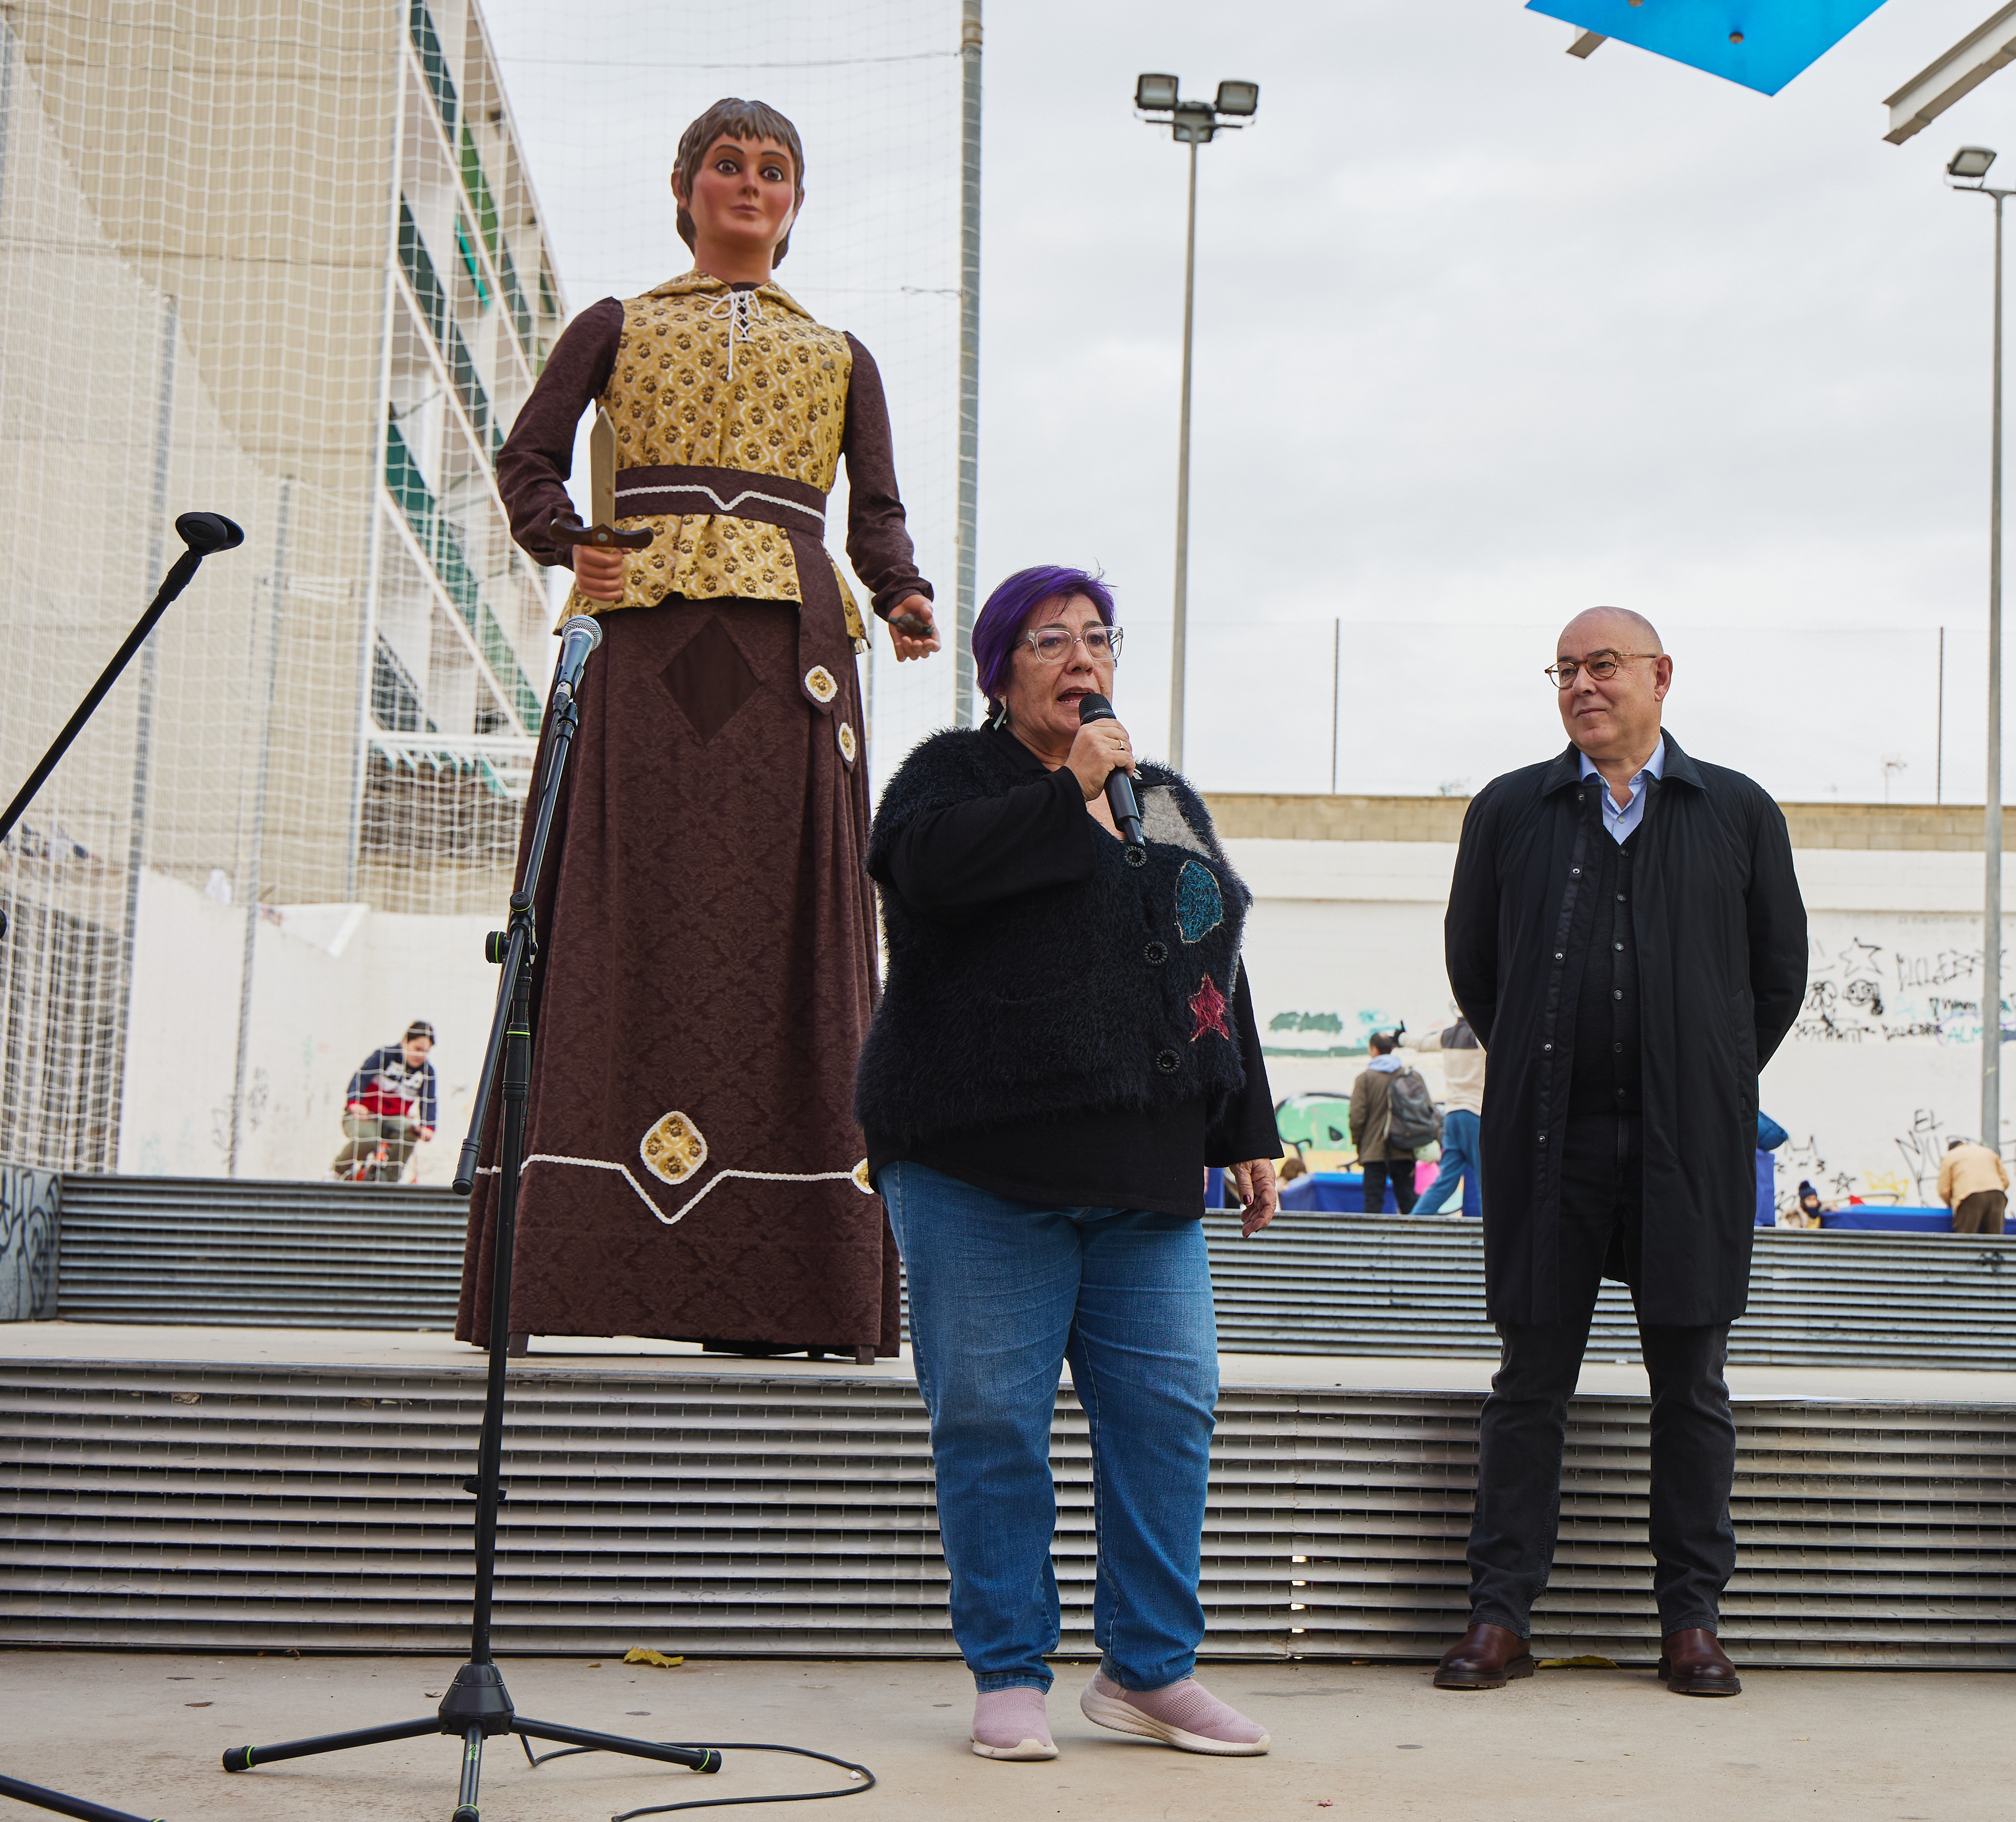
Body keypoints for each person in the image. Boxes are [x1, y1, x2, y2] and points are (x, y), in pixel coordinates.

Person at [458, 99, 937, 1360]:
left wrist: (901, 595)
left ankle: (785, 1277)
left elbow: (877, 509)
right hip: (644, 640)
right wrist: (573, 545)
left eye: (774, 169)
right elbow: (527, 461)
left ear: (795, 199)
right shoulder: (617, 323)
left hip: (795, 654)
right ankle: (579, 1258)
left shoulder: (840, 352)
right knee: (625, 897)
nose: (750, 183)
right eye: (727, 164)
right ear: (684, 187)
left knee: (784, 918)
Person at [854, 564, 1285, 1761]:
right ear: (1001, 669)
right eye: (1051, 639)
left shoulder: (1160, 794)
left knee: (1167, 1411)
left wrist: (1244, 1121)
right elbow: (923, 872)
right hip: (979, 1163)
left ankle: (1148, 1668)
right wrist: (1069, 793)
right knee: (991, 1418)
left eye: (1098, 636)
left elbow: (1213, 952)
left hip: (1143, 1170)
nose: (1082, 657)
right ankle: (1008, 1668)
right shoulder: (952, 775)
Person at [1438, 606, 1807, 1698]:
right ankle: (1500, 1615)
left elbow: (1775, 975)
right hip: (1548, 1144)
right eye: (1565, 669)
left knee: (1691, 1388)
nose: (1582, 685)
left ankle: (1692, 1620)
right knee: (1528, 1384)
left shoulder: (1735, 810)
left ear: (1661, 676)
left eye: (1604, 666)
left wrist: (1708, 1070)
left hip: (1687, 1150)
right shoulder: (1511, 809)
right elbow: (1476, 967)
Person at [334, 1022, 439, 1182]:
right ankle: (337, 1171)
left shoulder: (427, 1072)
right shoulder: (385, 1056)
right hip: (366, 1115)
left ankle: (390, 1182)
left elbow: (429, 1101)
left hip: (394, 1120)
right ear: (405, 1042)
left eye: (426, 1051)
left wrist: (429, 1126)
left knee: (410, 1133)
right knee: (367, 1139)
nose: (421, 1056)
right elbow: (360, 1078)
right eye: (417, 1049)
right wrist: (354, 1103)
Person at [1348, 1029, 1423, 1213]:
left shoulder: (1365, 1079)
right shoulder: (1410, 1076)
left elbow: (1356, 1117)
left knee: (1373, 1204)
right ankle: (1413, 1241)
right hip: (1404, 1149)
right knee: (1408, 1203)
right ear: (1392, 1049)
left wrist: (1360, 1144)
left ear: (1373, 1050)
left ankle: (1371, 1242)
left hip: (1374, 1151)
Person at [1418, 1016, 1485, 1216]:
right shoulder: (1482, 1036)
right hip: (1475, 1116)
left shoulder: (1447, 1035)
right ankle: (1491, 1241)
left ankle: (1412, 1224)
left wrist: (1401, 1038)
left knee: (1445, 1182)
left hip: (1452, 1117)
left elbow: (1421, 1043)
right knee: (1487, 1182)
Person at [1935, 1136, 2010, 1236]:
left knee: (1966, 1240)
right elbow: (2005, 1181)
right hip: (1997, 1195)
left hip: (1970, 1197)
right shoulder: (1988, 1152)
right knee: (1994, 1240)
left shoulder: (1949, 1157)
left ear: (1950, 1150)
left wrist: (1953, 1204)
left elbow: (1943, 1190)